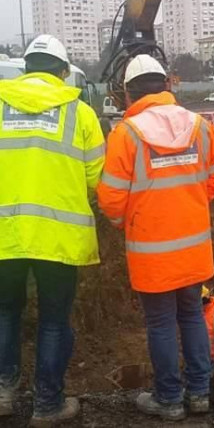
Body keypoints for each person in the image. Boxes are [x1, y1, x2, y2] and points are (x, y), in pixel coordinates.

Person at [97, 55, 214, 421]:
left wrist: (129, 221)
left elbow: (110, 197)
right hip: (194, 249)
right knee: (190, 315)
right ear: (167, 86)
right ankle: (199, 393)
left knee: (160, 323)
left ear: (128, 94)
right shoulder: (200, 126)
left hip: (151, 253)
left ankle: (169, 399)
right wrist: (190, 203)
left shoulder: (126, 134)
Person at [0, 35, 105, 426]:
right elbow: (98, 178)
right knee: (53, 320)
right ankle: (47, 405)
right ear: (63, 73)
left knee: (5, 312)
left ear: (26, 69)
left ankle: (3, 393)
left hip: (4, 236)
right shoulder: (81, 114)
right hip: (58, 239)